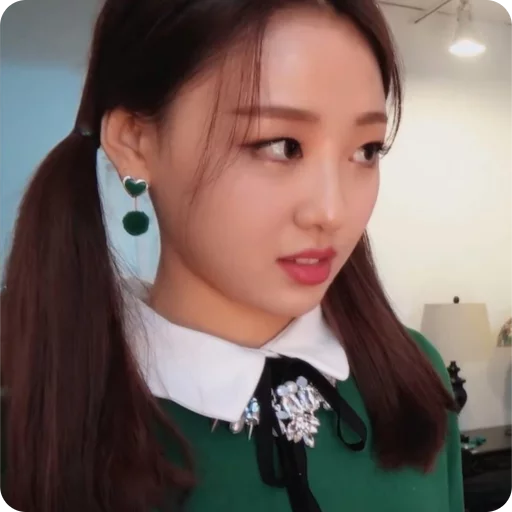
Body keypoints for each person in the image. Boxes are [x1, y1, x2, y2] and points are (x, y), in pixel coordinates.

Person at [0, 0, 464, 511]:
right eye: (282, 145)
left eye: (366, 150)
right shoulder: (44, 432)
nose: (332, 212)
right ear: (135, 142)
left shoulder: (413, 377)